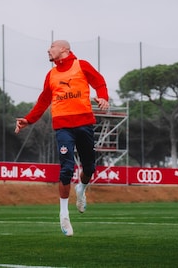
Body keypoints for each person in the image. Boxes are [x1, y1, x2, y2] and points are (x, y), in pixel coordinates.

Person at [14, 40, 109, 237]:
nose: (48, 50)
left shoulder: (81, 65)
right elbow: (43, 101)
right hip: (63, 127)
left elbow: (99, 82)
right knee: (66, 169)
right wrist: (28, 120)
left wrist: (103, 97)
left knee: (89, 168)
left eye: (52, 47)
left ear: (64, 50)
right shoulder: (51, 75)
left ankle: (81, 189)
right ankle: (64, 214)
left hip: (84, 125)